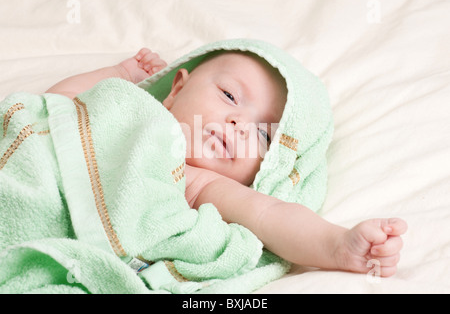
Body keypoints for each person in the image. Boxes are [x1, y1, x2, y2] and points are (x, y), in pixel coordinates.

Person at [45, 46, 407, 278]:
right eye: (230, 95)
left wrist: (338, 245)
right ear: (176, 89)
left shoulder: (200, 184)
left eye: (265, 134)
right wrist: (122, 75)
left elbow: (272, 216)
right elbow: (54, 105)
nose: (241, 124)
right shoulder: (124, 109)